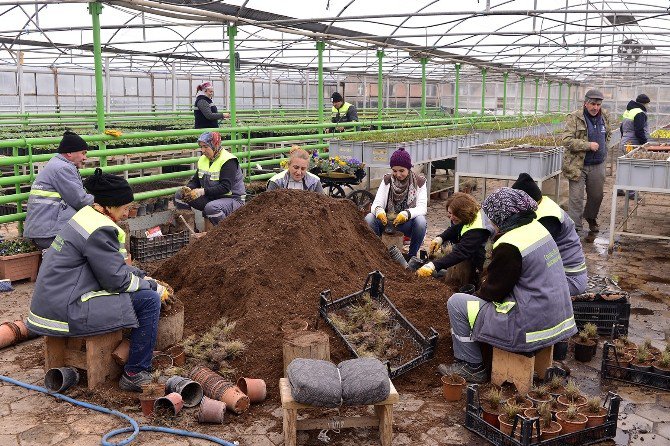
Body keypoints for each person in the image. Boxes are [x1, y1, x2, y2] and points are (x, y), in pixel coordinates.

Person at [26, 168, 172, 392]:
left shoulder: (86, 216)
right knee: (149, 300)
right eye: (124, 208)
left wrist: (141, 276)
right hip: (66, 310)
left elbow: (109, 268)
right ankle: (135, 372)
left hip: (51, 303)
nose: (127, 213)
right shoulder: (100, 230)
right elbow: (116, 282)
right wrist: (152, 286)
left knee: (141, 289)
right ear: (110, 206)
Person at [438, 188, 576, 383]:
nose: (488, 221)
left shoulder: (510, 243)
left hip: (528, 327)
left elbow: (493, 292)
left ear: (501, 216)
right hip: (556, 319)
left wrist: (478, 291)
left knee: (457, 303)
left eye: (490, 216)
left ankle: (470, 365)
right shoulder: (538, 229)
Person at [512, 173, 587, 296]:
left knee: (515, 289)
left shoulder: (548, 218)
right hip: (563, 275)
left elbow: (530, 253)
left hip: (570, 280)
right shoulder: (542, 204)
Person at [23, 131, 94, 250]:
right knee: (90, 247)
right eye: (83, 153)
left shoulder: (57, 164)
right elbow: (80, 200)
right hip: (49, 234)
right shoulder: (63, 168)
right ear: (70, 153)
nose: (85, 157)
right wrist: (100, 199)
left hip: (43, 231)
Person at [561, 89, 614, 234]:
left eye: (598, 104)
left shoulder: (605, 116)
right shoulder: (574, 118)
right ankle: (575, 229)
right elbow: (566, 140)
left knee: (596, 196)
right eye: (592, 104)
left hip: (598, 164)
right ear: (585, 103)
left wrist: (603, 149)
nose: (595, 107)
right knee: (576, 198)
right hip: (578, 165)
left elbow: (608, 134)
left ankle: (591, 217)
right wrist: (587, 145)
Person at [417, 193, 494, 285]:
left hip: (487, 261)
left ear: (463, 213)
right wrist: (440, 238)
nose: (451, 217)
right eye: (449, 213)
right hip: (474, 250)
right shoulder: (469, 215)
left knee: (482, 278)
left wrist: (433, 265)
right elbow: (456, 228)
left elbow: (461, 252)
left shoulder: (477, 230)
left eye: (455, 215)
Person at [364, 148, 427, 257]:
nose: (398, 174)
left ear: (408, 168)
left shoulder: (419, 182)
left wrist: (406, 214)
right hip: (387, 222)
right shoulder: (387, 180)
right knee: (369, 218)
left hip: (406, 223)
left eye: (401, 170)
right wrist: (379, 211)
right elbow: (377, 202)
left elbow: (422, 208)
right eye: (394, 170)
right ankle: (378, 252)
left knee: (421, 221)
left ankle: (411, 256)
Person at [174, 131, 245, 225]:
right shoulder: (203, 159)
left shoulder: (228, 160)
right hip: (212, 198)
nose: (203, 150)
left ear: (215, 145)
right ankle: (191, 231)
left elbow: (225, 187)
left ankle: (226, 233)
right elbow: (196, 180)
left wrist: (202, 191)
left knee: (211, 208)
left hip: (232, 199)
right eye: (201, 147)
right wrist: (188, 188)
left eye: (206, 146)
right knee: (180, 195)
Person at [619, 94, 651, 198]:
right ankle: (632, 194)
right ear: (644, 104)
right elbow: (639, 131)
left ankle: (619, 189)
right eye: (647, 104)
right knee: (633, 167)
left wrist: (624, 138)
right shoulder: (639, 113)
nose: (648, 106)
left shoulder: (629, 110)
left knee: (625, 166)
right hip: (632, 143)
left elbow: (621, 127)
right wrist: (644, 143)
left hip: (625, 141)